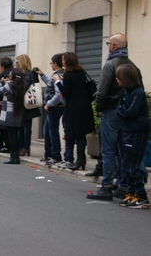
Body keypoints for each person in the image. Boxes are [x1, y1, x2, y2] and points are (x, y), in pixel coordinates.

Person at [87, 33, 142, 201]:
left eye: (108, 44)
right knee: (123, 150)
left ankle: (106, 187)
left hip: (111, 111)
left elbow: (102, 91)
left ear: (113, 46)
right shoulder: (133, 66)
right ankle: (123, 185)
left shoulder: (110, 65)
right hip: (127, 113)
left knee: (109, 150)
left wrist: (99, 108)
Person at [114, 64, 149, 209]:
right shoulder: (126, 92)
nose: (116, 80)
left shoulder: (138, 92)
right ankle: (132, 192)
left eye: (119, 77)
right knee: (126, 164)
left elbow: (129, 112)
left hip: (137, 132)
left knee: (132, 165)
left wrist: (122, 110)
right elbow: (120, 109)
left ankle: (141, 196)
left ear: (126, 78)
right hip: (127, 130)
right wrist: (123, 110)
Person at [54, 52, 95, 170]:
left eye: (63, 59)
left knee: (75, 133)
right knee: (81, 134)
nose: (62, 62)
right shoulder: (81, 72)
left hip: (74, 107)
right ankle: (81, 160)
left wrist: (57, 81)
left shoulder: (68, 75)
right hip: (85, 105)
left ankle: (79, 160)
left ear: (67, 61)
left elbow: (65, 92)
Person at [35, 53, 65, 166]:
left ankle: (56, 155)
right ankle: (48, 153)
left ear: (55, 64)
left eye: (51, 63)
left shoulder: (58, 75)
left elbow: (58, 92)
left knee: (52, 131)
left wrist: (49, 104)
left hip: (55, 107)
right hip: (57, 106)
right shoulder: (60, 74)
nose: (51, 65)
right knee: (47, 130)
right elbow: (50, 84)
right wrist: (42, 75)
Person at [0, 68, 25, 164]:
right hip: (18, 112)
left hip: (9, 112)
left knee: (11, 136)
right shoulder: (21, 85)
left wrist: (1, 81)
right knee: (15, 134)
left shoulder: (9, 84)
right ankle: (15, 156)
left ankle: (14, 157)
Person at [15, 54, 41, 156]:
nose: (16, 65)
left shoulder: (28, 74)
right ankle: (21, 146)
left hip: (27, 104)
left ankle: (26, 147)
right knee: (21, 126)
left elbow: (23, 88)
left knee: (26, 127)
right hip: (22, 104)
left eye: (17, 62)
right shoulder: (22, 74)